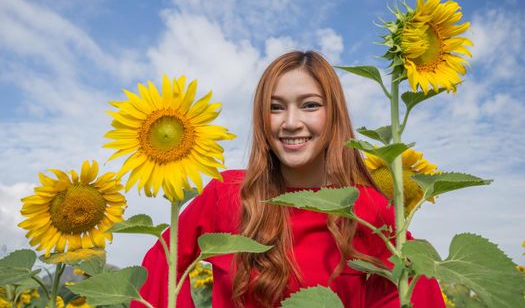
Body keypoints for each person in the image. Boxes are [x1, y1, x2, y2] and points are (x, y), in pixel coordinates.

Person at [131, 51, 445, 308]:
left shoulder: (366, 208)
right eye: (276, 108)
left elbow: (413, 288)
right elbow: (162, 262)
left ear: (333, 114)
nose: (291, 122)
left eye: (310, 105)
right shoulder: (227, 194)